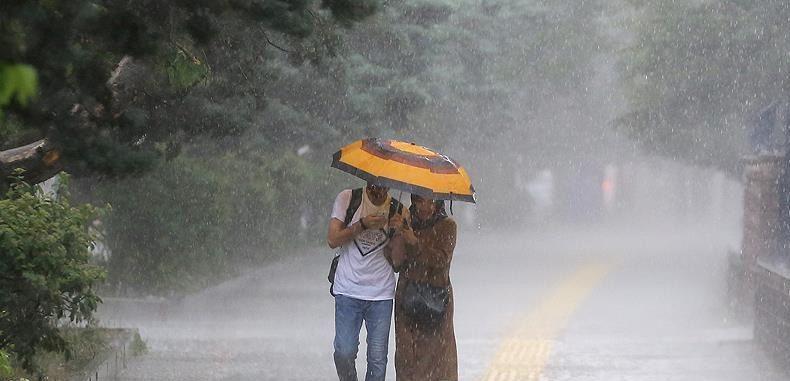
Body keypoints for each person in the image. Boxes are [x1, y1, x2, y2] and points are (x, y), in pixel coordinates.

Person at [327, 183, 406, 381]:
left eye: (383, 188)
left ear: (390, 186)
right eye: (373, 187)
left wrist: (398, 232)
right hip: (348, 290)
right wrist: (361, 225)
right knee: (344, 352)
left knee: (377, 360)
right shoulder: (348, 199)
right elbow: (332, 239)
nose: (378, 192)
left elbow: (398, 262)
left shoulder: (398, 210)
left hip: (381, 294)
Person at [388, 194, 458, 381]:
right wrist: (396, 235)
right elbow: (396, 262)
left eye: (431, 201)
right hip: (407, 297)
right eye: (419, 200)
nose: (425, 206)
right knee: (406, 358)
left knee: (436, 360)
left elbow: (440, 260)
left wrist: (414, 241)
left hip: (436, 299)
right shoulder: (405, 221)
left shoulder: (447, 226)